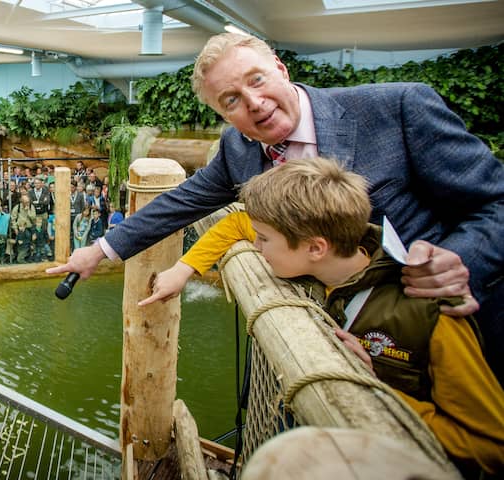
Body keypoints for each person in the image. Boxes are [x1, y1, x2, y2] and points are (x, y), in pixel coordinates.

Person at [48, 32, 504, 379]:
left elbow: (495, 202)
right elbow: (179, 204)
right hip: (349, 349)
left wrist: (460, 260)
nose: (255, 103)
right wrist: (101, 250)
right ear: (225, 115)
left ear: (281, 70)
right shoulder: (239, 151)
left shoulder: (396, 108)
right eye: (232, 100)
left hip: (458, 329)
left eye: (257, 81)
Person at [141, 157, 504, 475]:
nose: (254, 246)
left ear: (316, 248)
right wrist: (187, 267)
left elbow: (489, 446)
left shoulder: (429, 314)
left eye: (264, 239)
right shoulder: (320, 260)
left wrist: (379, 392)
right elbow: (240, 223)